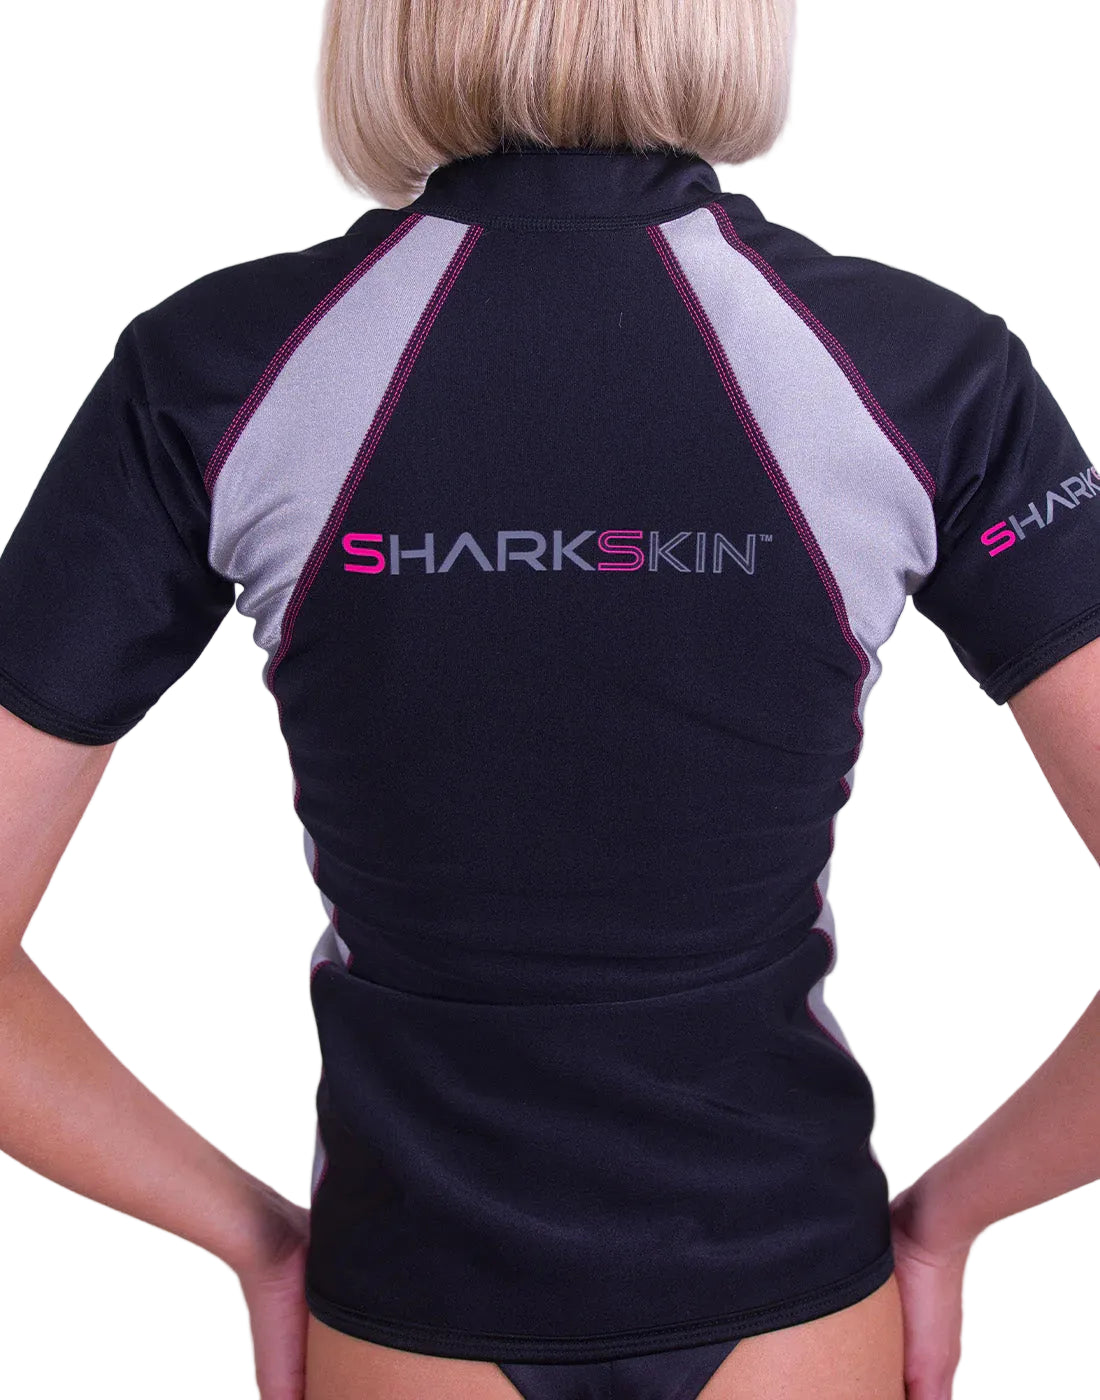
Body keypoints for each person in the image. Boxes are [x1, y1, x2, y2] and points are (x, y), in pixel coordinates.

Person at [0, 1, 1097, 1397]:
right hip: (792, 1295)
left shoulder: (218, 367)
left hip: (412, 1302)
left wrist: (258, 1243)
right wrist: (947, 1224)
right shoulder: (920, 366)